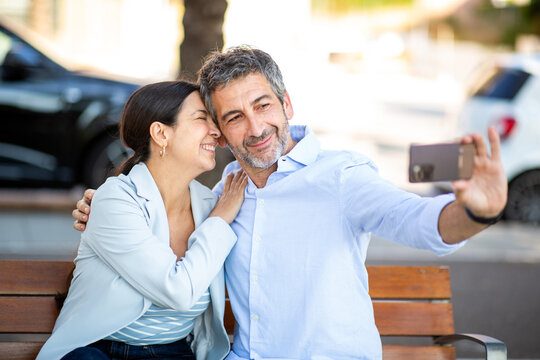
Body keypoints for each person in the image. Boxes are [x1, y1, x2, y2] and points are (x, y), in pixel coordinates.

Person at [73, 46, 507, 359]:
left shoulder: (341, 176)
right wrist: (109, 210)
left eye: (263, 106)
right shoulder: (227, 189)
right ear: (222, 133)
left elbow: (417, 220)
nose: (256, 127)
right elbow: (167, 219)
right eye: (235, 117)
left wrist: (476, 212)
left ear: (286, 104)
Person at [40, 81, 248, 360]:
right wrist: (220, 222)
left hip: (176, 353)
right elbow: (178, 291)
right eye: (201, 118)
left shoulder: (212, 205)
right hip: (104, 353)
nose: (216, 131)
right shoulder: (117, 200)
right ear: (161, 133)